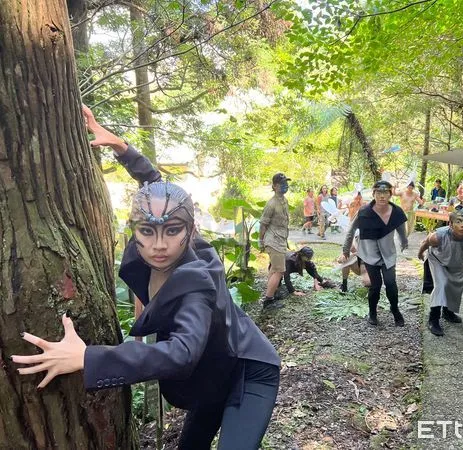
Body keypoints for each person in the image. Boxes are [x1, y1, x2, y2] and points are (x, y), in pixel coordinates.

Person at [12, 179, 281, 449]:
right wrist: (126, 151)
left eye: (172, 230)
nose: (159, 245)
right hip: (214, 372)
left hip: (249, 369)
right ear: (134, 228)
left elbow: (182, 353)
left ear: (191, 231)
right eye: (147, 231)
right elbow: (162, 202)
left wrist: (88, 358)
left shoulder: (196, 285)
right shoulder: (164, 236)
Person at [341, 180, 408, 326]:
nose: (382, 196)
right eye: (379, 192)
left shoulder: (396, 211)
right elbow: (351, 230)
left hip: (388, 254)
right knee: (375, 285)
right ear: (374, 194)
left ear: (390, 194)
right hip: (369, 254)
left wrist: (404, 241)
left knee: (391, 283)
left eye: (385, 193)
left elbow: (401, 229)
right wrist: (346, 249)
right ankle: (372, 313)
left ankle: (395, 310)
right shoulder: (364, 212)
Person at [417, 208, 463, 336]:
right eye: (458, 222)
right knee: (442, 284)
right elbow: (426, 242)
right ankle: (433, 318)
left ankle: (448, 312)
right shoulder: (438, 236)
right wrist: (420, 253)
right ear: (450, 225)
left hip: (456, 261)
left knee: (456, 286)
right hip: (438, 260)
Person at [260, 173, 291, 310]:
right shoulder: (271, 204)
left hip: (281, 239)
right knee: (279, 270)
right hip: (273, 240)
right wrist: (261, 241)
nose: (285, 186)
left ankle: (271, 294)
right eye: (281, 184)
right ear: (274, 186)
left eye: (286, 183)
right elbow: (263, 224)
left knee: (274, 269)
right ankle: (268, 301)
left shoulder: (284, 201)